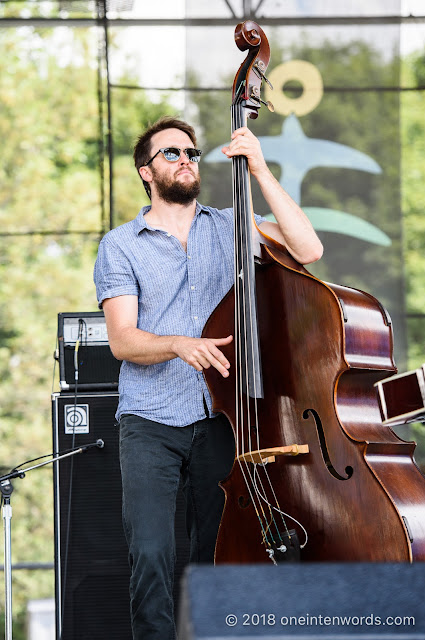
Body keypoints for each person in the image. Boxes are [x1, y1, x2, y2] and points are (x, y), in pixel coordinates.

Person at [93, 115, 323, 639]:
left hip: (224, 416)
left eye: (192, 153)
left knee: (216, 555)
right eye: (171, 154)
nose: (186, 161)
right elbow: (123, 339)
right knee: (152, 555)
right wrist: (178, 343)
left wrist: (261, 170)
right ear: (145, 172)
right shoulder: (122, 244)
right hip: (150, 419)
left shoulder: (232, 226)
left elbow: (309, 251)